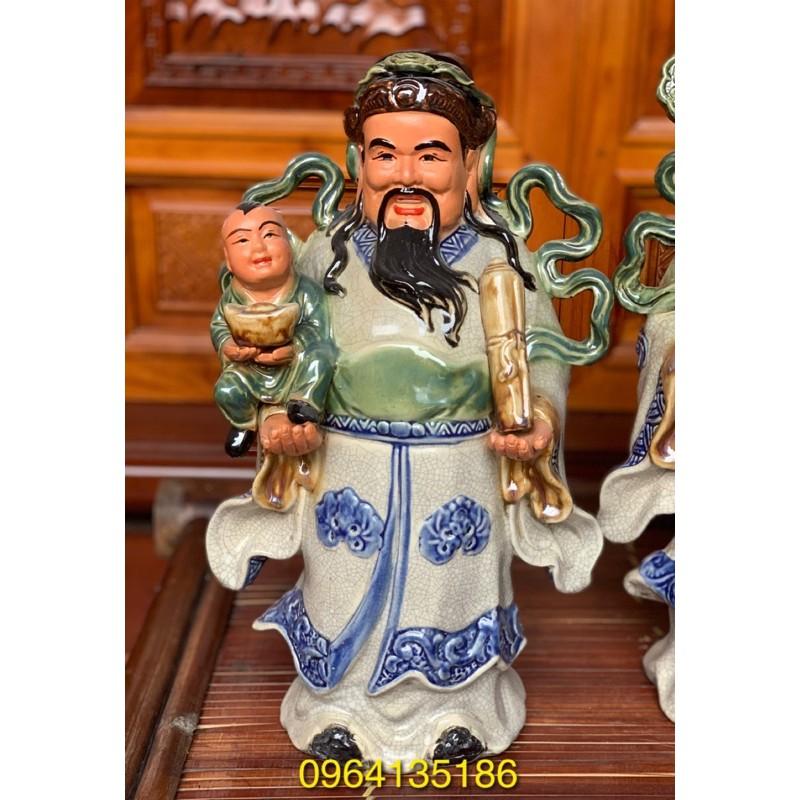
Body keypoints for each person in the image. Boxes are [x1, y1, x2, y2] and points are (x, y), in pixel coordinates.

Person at [206, 51, 603, 767]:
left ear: (472, 164)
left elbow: (543, 354)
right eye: (385, 154)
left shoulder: (501, 258)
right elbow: (277, 350)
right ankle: (337, 706)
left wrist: (538, 416)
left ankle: (460, 708)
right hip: (347, 459)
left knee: (448, 592)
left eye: (431, 155)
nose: (406, 175)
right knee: (342, 586)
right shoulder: (324, 254)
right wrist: (274, 413)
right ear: (358, 164)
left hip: (461, 462)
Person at [211, 202, 334, 458]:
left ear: (289, 244)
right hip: (250, 368)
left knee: (321, 359)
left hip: (295, 367)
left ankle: (304, 403)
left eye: (269, 234)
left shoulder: (306, 292)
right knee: (226, 389)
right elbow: (220, 326)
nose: (258, 247)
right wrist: (229, 347)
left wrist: (294, 348)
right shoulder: (232, 297)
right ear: (228, 260)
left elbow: (318, 329)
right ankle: (245, 423)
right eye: (242, 240)